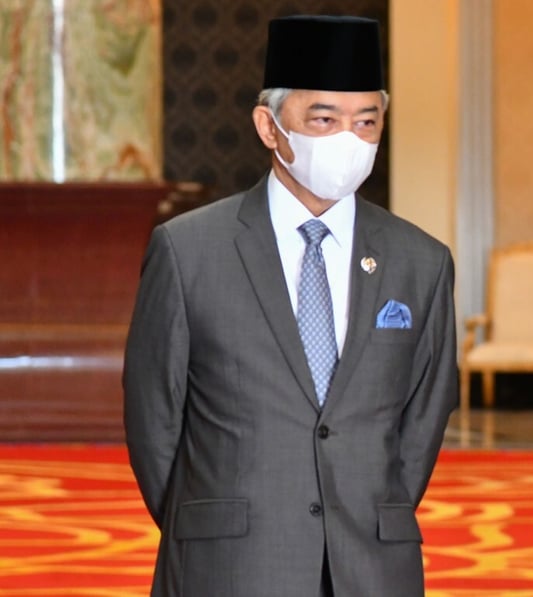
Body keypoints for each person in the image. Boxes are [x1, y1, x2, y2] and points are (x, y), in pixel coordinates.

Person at [123, 15, 457, 596]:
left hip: (372, 568)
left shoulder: (421, 261)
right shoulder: (188, 250)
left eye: (366, 122)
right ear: (270, 126)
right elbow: (154, 419)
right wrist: (209, 523)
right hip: (230, 566)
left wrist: (364, 509)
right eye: (324, 119)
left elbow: (422, 420)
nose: (347, 140)